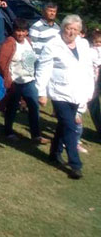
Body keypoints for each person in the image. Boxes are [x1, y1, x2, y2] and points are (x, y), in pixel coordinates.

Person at [36, 15, 94, 179]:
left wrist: (89, 91)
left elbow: (88, 68)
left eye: (75, 29)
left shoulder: (83, 44)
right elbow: (43, 69)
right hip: (59, 92)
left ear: (79, 31)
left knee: (63, 125)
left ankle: (54, 153)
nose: (71, 32)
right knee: (70, 126)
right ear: (63, 28)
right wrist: (41, 92)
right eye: (69, 28)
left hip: (77, 92)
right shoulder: (52, 45)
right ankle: (75, 165)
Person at [0, 19, 50, 144]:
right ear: (14, 31)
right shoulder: (10, 43)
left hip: (29, 80)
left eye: (23, 31)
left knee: (34, 106)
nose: (20, 34)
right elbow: (2, 63)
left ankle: (36, 135)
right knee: (12, 107)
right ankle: (9, 132)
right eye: (18, 31)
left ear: (27, 32)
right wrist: (8, 80)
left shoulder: (28, 41)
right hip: (15, 82)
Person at [87, 30, 101, 137]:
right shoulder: (90, 51)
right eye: (96, 42)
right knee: (94, 104)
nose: (98, 44)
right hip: (93, 80)